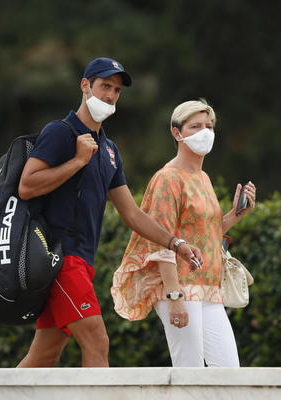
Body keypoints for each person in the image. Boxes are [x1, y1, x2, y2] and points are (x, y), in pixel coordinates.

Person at [16, 58, 202, 368]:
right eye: (105, 86)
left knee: (44, 355)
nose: (111, 95)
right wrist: (77, 161)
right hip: (59, 258)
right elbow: (27, 185)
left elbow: (132, 214)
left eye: (116, 90)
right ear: (85, 85)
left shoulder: (109, 150)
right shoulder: (60, 133)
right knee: (97, 341)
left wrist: (176, 243)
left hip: (82, 261)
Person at [111, 99, 256, 367]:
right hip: (179, 287)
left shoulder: (203, 178)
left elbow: (206, 235)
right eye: (196, 126)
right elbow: (160, 239)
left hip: (209, 287)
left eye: (209, 126)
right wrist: (173, 295)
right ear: (177, 133)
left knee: (229, 373)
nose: (205, 132)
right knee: (188, 373)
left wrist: (237, 214)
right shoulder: (168, 178)